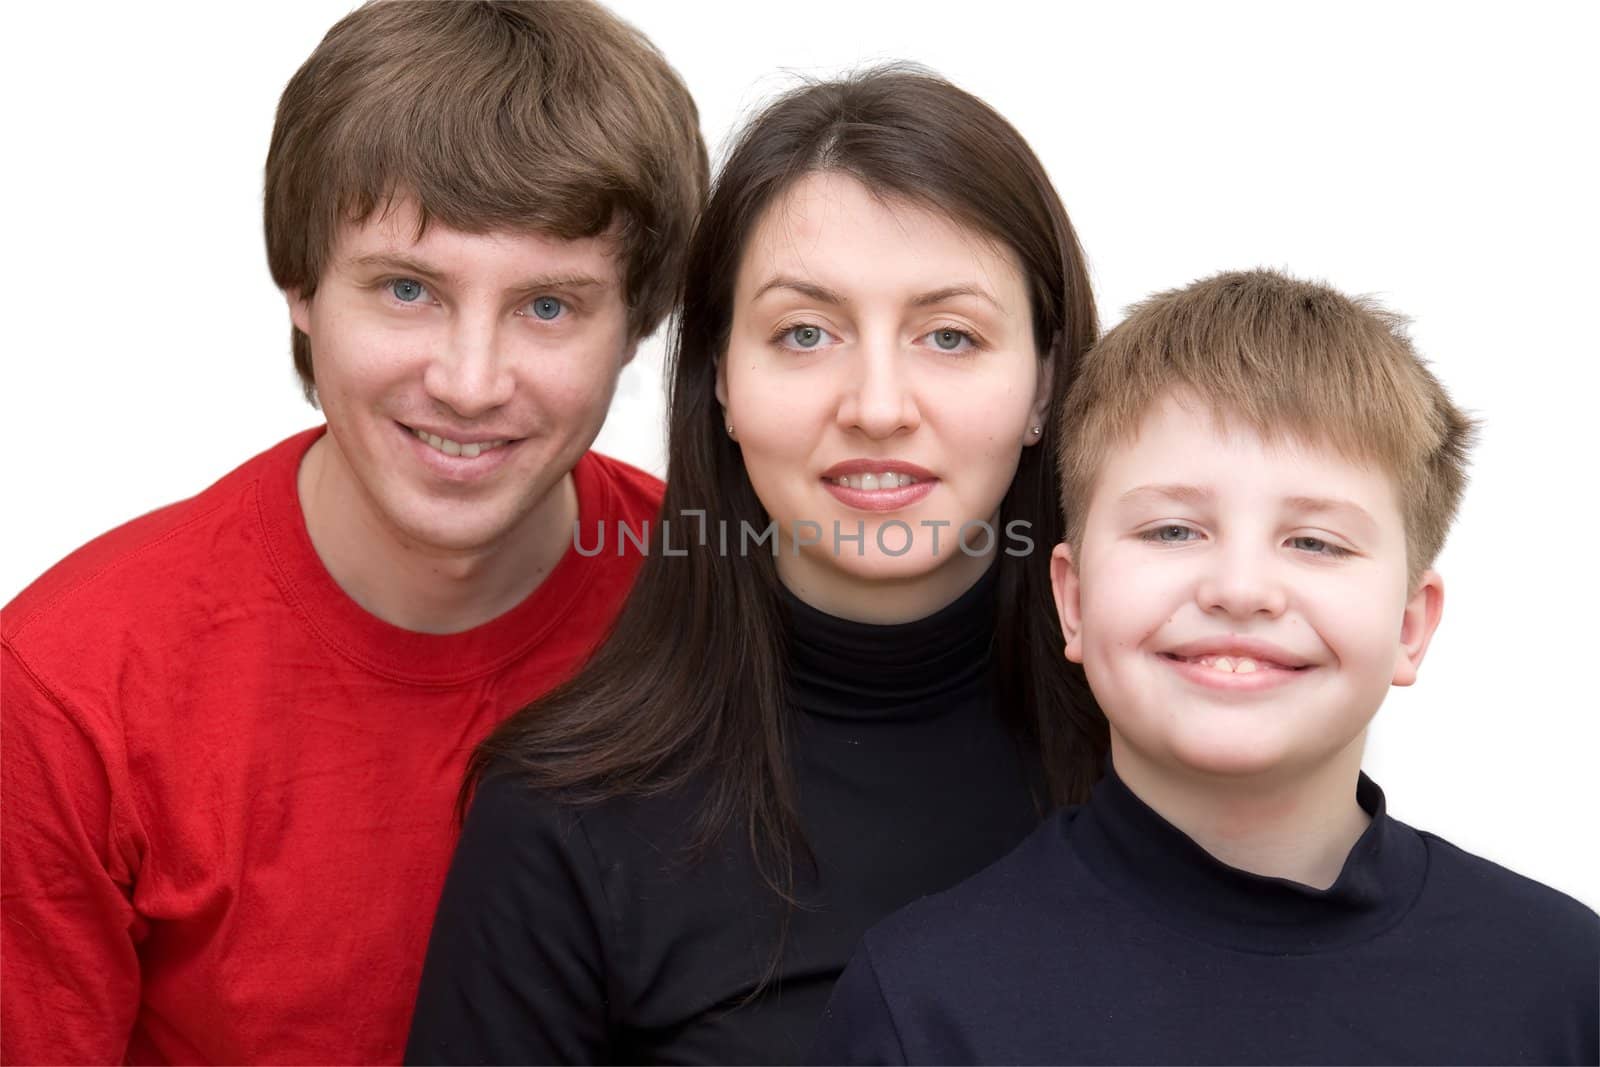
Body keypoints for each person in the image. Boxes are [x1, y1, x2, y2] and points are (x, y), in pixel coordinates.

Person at [0, 3, 707, 1063]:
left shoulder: (722, 603)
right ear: (301, 288)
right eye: (408, 289)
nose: (470, 382)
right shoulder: (70, 687)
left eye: (550, 306)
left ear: (638, 325)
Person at [403, 67, 1107, 1065]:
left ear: (1043, 382)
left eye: (949, 335)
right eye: (803, 332)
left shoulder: (1164, 758)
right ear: (721, 380)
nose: (875, 405)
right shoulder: (565, 819)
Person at [811, 269, 1600, 1065]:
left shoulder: (1563, 983)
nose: (1240, 589)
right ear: (1074, 600)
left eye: (1315, 542)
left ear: (1408, 625)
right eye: (1173, 531)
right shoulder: (925, 1000)